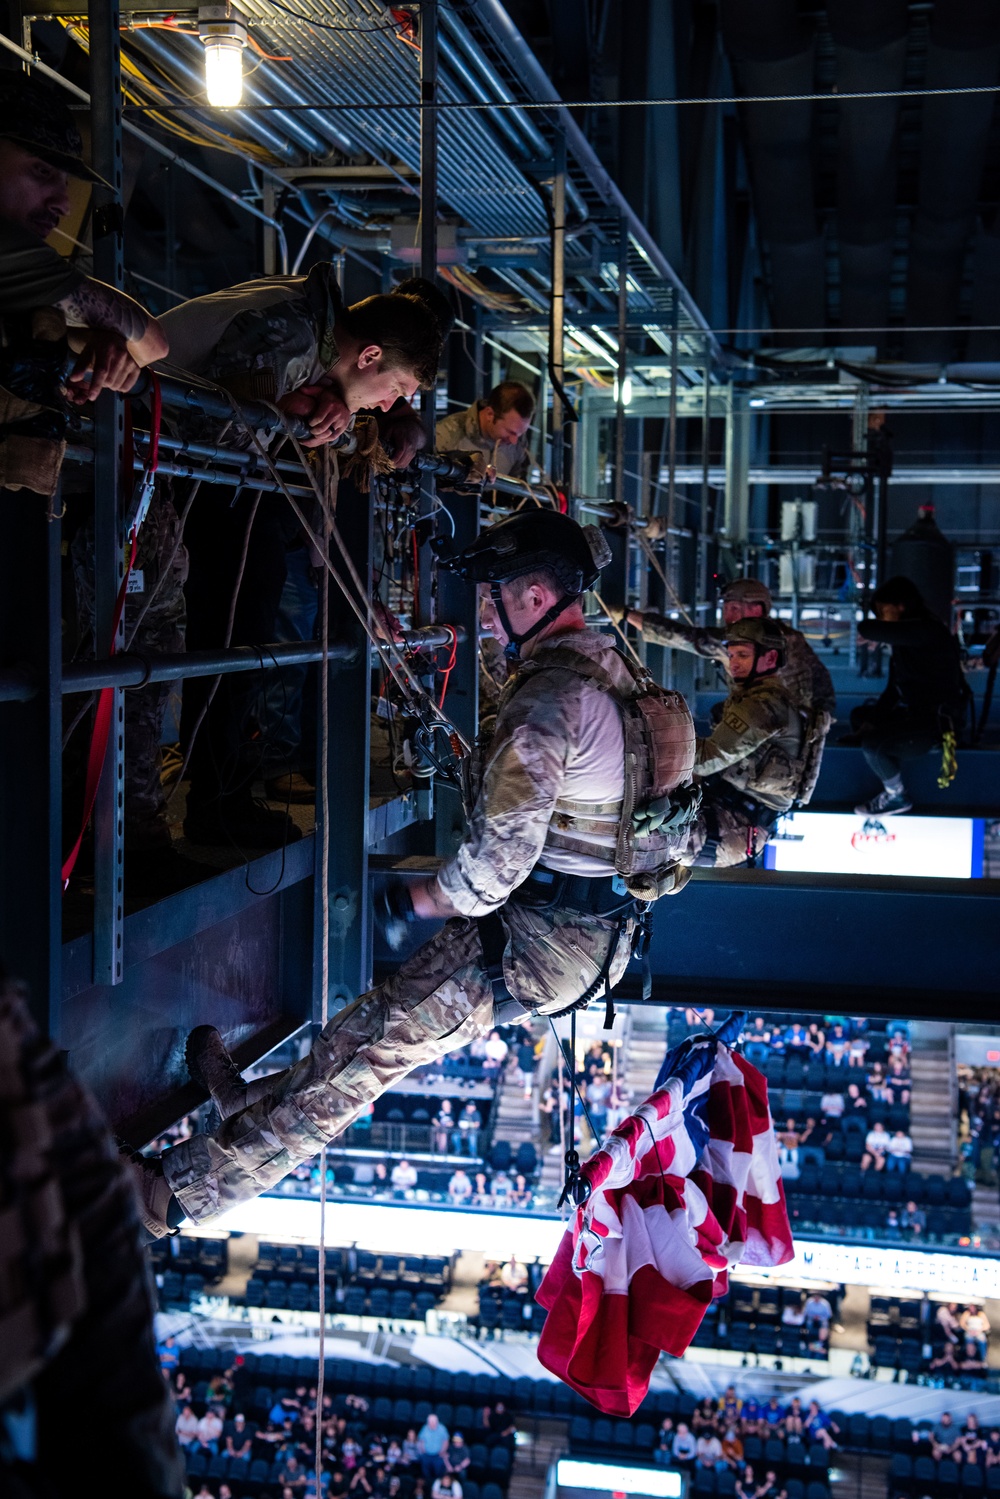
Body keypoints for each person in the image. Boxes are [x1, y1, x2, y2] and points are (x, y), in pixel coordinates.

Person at [130, 511, 689, 1235]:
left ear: (534, 596)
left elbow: (495, 865)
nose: (486, 611)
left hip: (532, 945)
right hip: (579, 937)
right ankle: (246, 1106)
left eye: (495, 596)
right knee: (363, 1031)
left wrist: (421, 898)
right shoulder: (614, 671)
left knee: (366, 1061)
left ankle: (176, 1197)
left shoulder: (553, 699)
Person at [159, 274, 444, 850]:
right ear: (368, 355)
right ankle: (210, 807)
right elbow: (207, 427)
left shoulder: (312, 338)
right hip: (148, 470)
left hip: (195, 483)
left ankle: (221, 797)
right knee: (233, 630)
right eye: (396, 388)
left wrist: (319, 410)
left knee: (248, 618)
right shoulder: (288, 331)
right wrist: (287, 414)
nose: (390, 405)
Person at [682, 619, 810, 868]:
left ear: (770, 658)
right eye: (731, 654)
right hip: (723, 805)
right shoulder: (758, 695)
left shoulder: (765, 704)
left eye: (743, 654)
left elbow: (704, 760)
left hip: (738, 828)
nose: (733, 663)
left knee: (648, 834)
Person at [621, 576, 836, 719]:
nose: (727, 616)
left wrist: (626, 615)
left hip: (764, 731)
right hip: (789, 726)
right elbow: (821, 681)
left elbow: (687, 638)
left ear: (756, 610)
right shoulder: (790, 637)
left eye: (734, 608)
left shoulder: (749, 641)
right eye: (726, 608)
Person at [849, 574, 967, 816]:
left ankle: (896, 795)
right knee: (861, 717)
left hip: (935, 726)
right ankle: (889, 766)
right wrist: (870, 722)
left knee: (874, 746)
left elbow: (867, 628)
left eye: (883, 610)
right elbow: (894, 690)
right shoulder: (906, 645)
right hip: (914, 715)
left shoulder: (928, 630)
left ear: (901, 606)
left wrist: (877, 632)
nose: (880, 617)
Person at [436, 380, 535, 480]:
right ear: (490, 414)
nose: (514, 441)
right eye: (510, 432)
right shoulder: (447, 434)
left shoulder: (519, 442)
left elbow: (519, 486)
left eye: (521, 433)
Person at [417, 1413, 450, 1481]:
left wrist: (443, 1451)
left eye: (433, 1422)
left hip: (437, 1455)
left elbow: (446, 1441)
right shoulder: (425, 1428)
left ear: (436, 1422)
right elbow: (421, 1440)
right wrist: (422, 1450)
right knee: (425, 1473)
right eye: (430, 1422)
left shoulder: (442, 1429)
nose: (431, 1424)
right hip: (426, 1455)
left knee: (438, 1473)